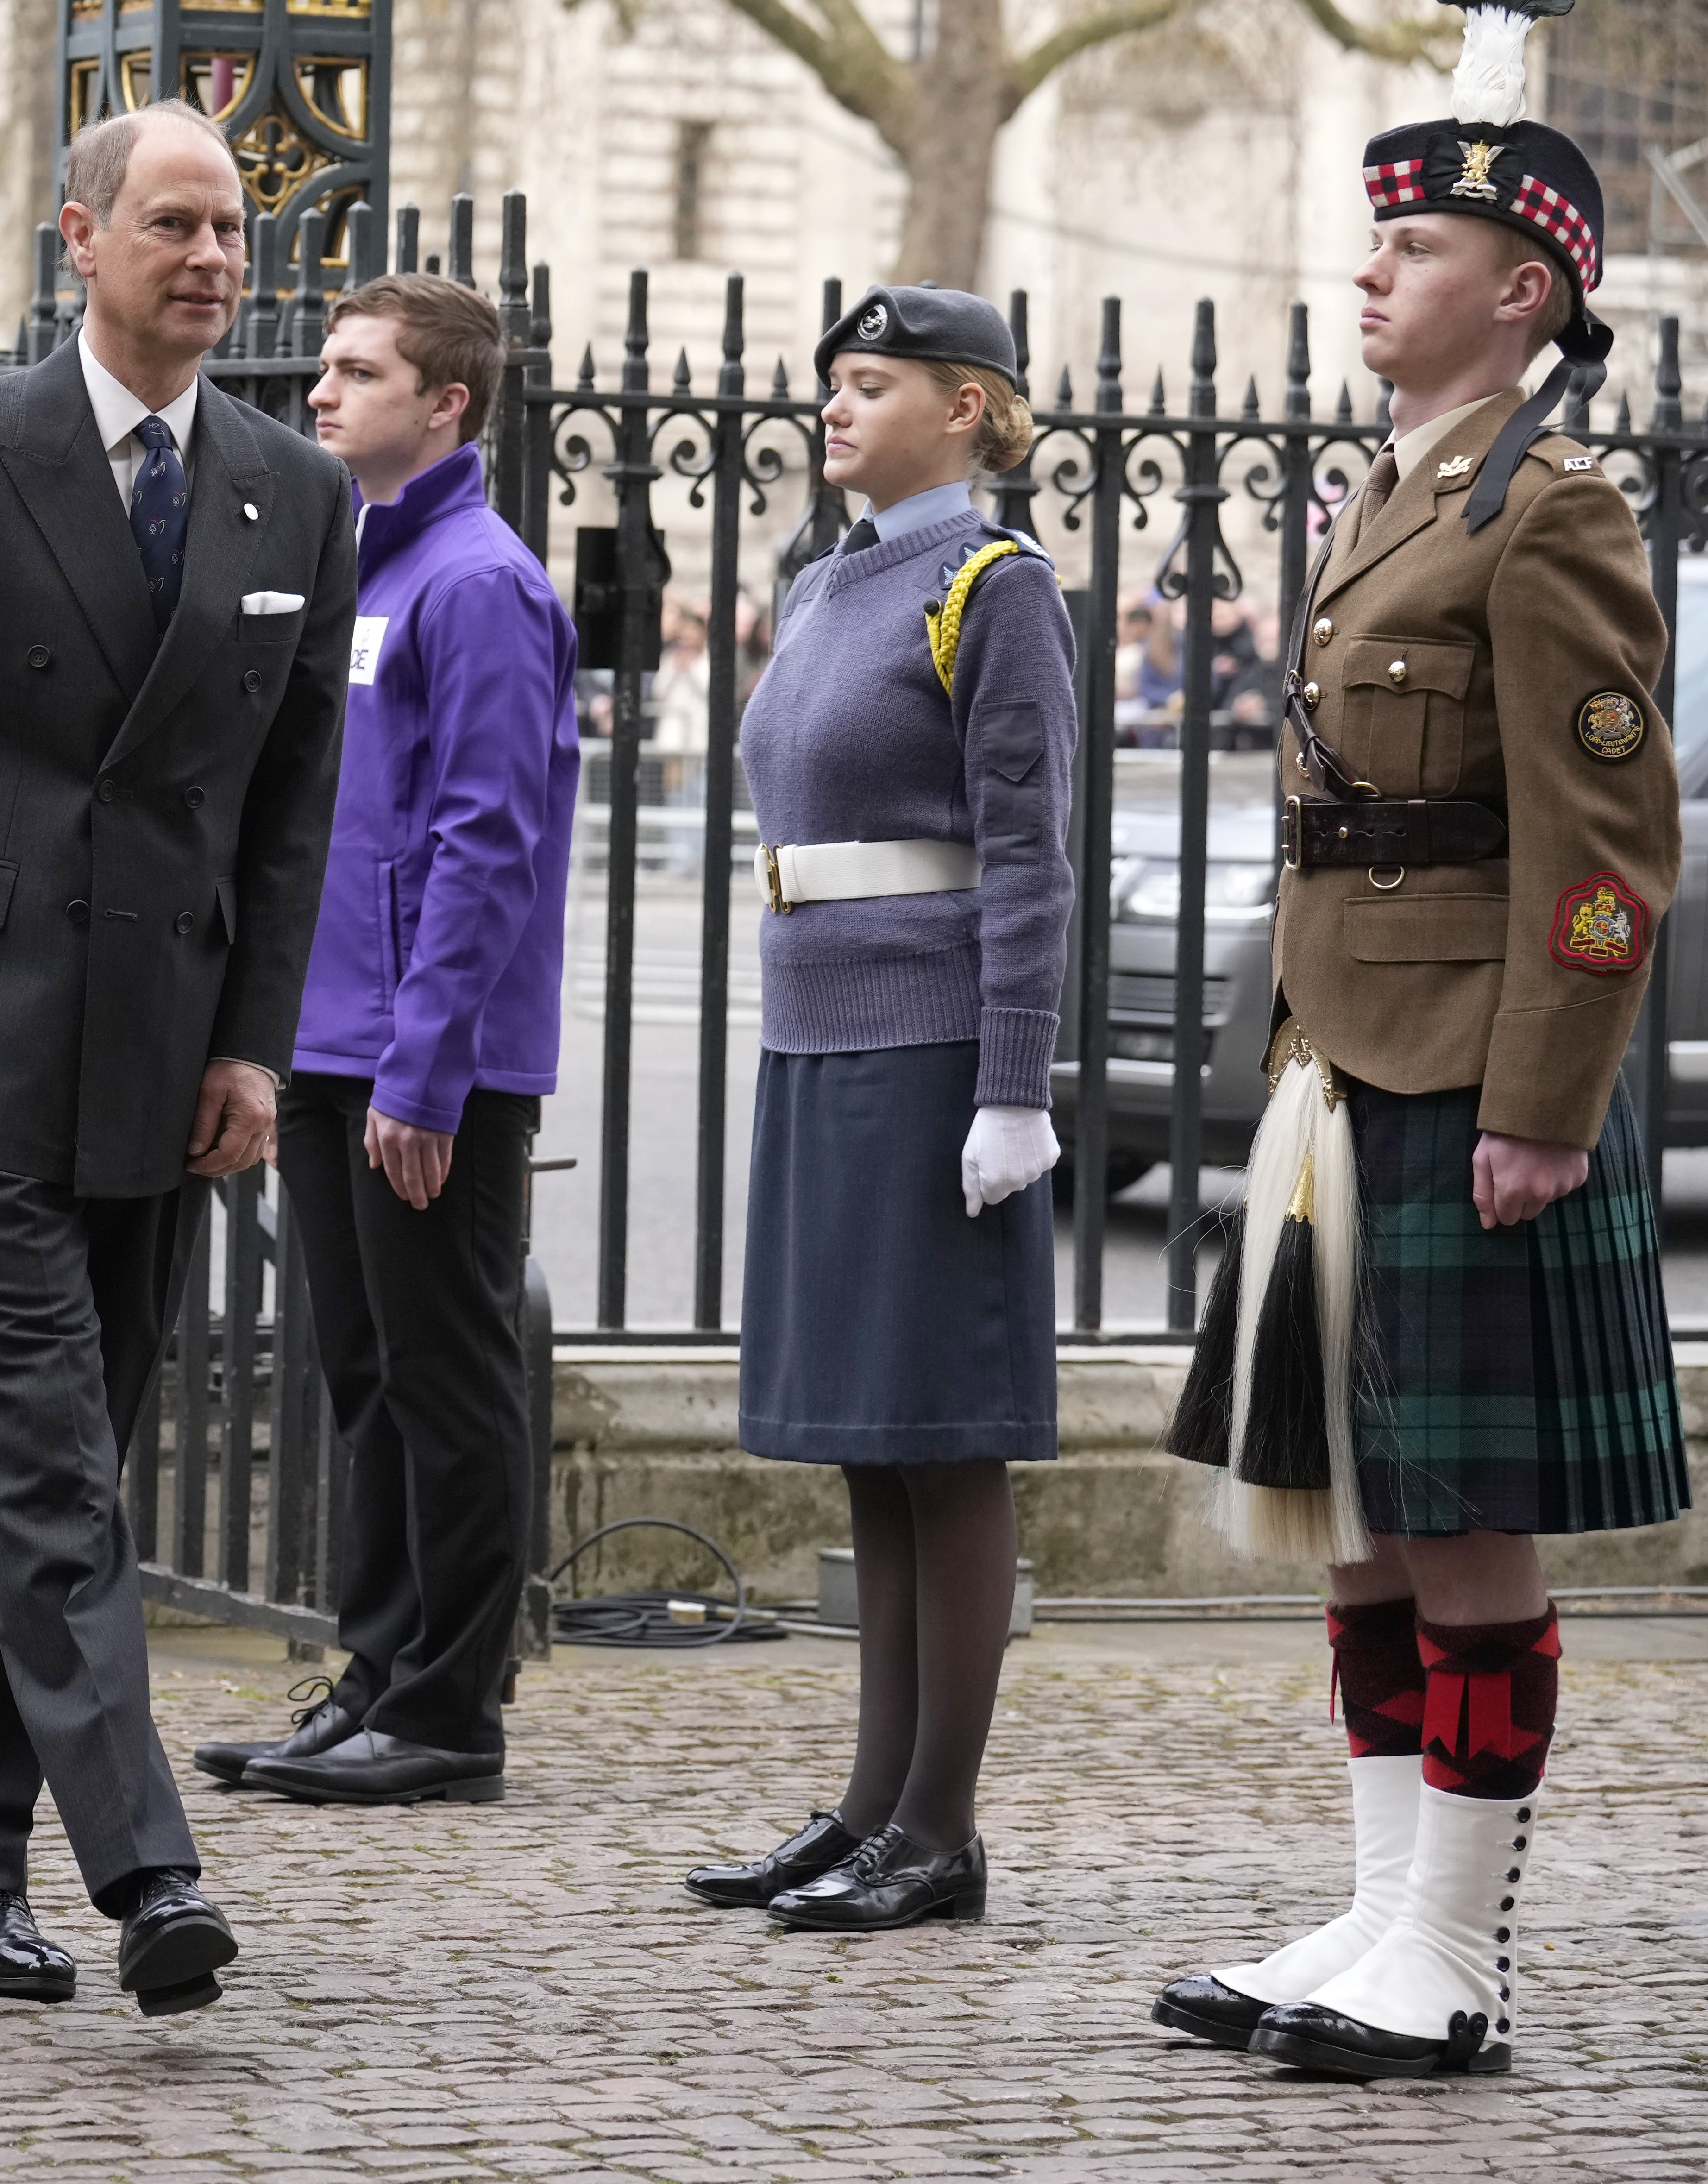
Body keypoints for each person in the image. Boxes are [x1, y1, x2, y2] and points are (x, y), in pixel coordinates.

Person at [0, 97, 354, 2018]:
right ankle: (144, 1863)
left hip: (160, 1049)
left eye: (234, 236)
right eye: (172, 223)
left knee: (64, 1474)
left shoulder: (292, 490)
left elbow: (290, 811)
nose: (209, 260)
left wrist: (254, 1044)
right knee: (50, 1467)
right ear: (76, 239)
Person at [1153, 0, 1687, 2081]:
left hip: (1474, 1067)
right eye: (1371, 245)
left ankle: (1453, 1952)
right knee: (1366, 1500)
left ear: (1526, 287)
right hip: (1348, 1058)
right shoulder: (1408, 489)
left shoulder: (1551, 508)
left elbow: (1606, 845)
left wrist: (1544, 1103)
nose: (1369, 270)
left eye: (1415, 250)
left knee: (1465, 1515)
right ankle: (1381, 1910)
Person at [685, 286, 1074, 1933]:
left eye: (871, 384)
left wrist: (1007, 1085)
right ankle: (866, 1803)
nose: (832, 408)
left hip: (927, 1051)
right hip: (819, 1036)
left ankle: (938, 1823)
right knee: (863, 1438)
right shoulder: (829, 575)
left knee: (942, 1437)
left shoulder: (993, 588)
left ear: (968, 409)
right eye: (830, 385)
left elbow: (1027, 857)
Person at [195, 273, 578, 1807]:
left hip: (434, 1067)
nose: (320, 395)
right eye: (326, 369)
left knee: (444, 1374)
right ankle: (375, 1669)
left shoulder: (479, 584)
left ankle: (448, 1711)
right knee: (358, 1370)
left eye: (359, 372)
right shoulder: (356, 570)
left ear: (446, 405)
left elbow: (488, 842)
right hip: (329, 1044)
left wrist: (424, 1066)